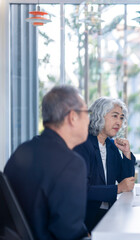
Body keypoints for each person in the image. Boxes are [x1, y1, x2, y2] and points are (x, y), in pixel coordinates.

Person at [4, 85, 89, 240]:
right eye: (86, 112)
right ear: (72, 117)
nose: (89, 119)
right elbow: (69, 233)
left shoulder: (21, 151)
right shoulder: (71, 164)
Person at [74, 97, 136, 232]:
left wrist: (126, 154)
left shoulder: (111, 146)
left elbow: (126, 182)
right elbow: (82, 190)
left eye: (121, 118)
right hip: (86, 219)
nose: (118, 122)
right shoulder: (82, 145)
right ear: (99, 116)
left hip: (108, 215)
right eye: (114, 116)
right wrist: (117, 189)